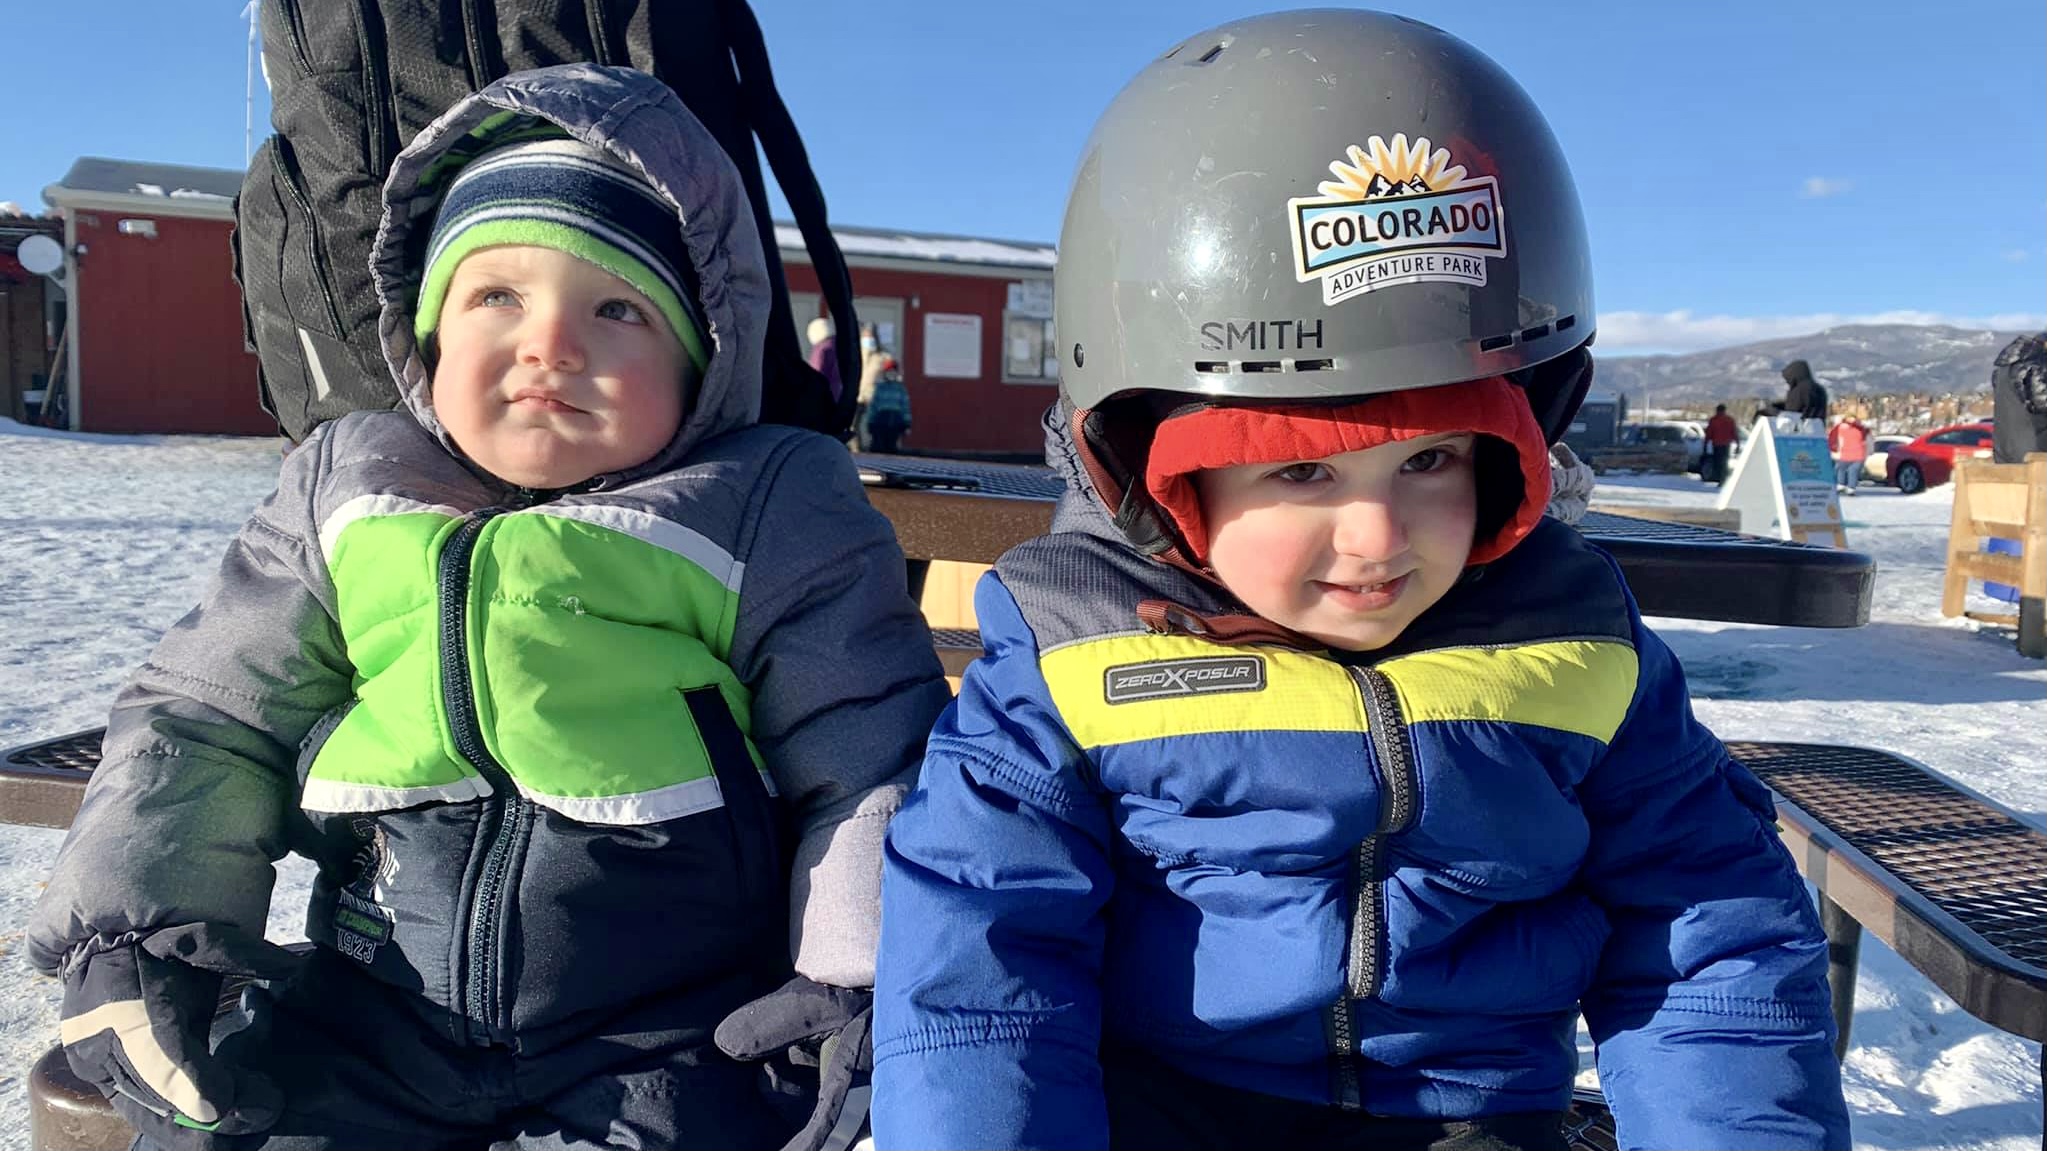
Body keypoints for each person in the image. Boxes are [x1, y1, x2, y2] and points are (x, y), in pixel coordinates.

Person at [871, 11, 1849, 1151]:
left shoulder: (1577, 647)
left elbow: (1707, 932)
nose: (1377, 534)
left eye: (1431, 459)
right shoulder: (1071, 658)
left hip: (1474, 1114)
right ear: (1152, 468)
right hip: (1163, 1111)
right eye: (1299, 469)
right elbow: (980, 967)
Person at [32, 65, 949, 1150]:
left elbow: (863, 750)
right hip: (372, 1006)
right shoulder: (353, 489)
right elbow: (211, 711)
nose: (549, 344)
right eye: (495, 295)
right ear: (428, 329)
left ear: (702, 354)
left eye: (616, 308)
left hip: (666, 1028)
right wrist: (140, 928)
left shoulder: (759, 506)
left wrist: (860, 975)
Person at [859, 357, 913, 454]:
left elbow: (905, 407)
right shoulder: (880, 388)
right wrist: (870, 421)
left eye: (893, 372)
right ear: (885, 373)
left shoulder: (900, 389)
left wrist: (907, 422)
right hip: (881, 420)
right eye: (889, 372)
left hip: (895, 421)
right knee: (878, 445)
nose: (891, 374)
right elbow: (873, 406)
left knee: (891, 446)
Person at [1767, 359, 1829, 431]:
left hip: (1799, 433)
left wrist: (1773, 411)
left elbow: (1791, 415)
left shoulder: (1799, 390)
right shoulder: (1820, 389)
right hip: (1818, 431)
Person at [806, 315, 844, 405]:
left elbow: (816, 372)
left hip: (822, 396)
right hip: (837, 393)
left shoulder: (822, 349)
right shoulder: (838, 346)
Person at [1828, 415, 1869, 494]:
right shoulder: (1862, 429)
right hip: (1859, 455)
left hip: (1845, 454)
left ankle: (1840, 485)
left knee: (1840, 468)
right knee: (1853, 471)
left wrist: (1833, 449)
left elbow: (1832, 439)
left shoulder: (1839, 428)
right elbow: (1866, 440)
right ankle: (1851, 488)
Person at [1704, 402, 1739, 483]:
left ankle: (1720, 478)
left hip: (1717, 444)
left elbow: (1709, 433)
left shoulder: (1714, 420)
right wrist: (1737, 444)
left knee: (1718, 462)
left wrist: (1705, 445)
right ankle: (1723, 479)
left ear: (1717, 410)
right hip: (1726, 444)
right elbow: (1734, 432)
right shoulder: (1730, 420)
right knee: (1724, 462)